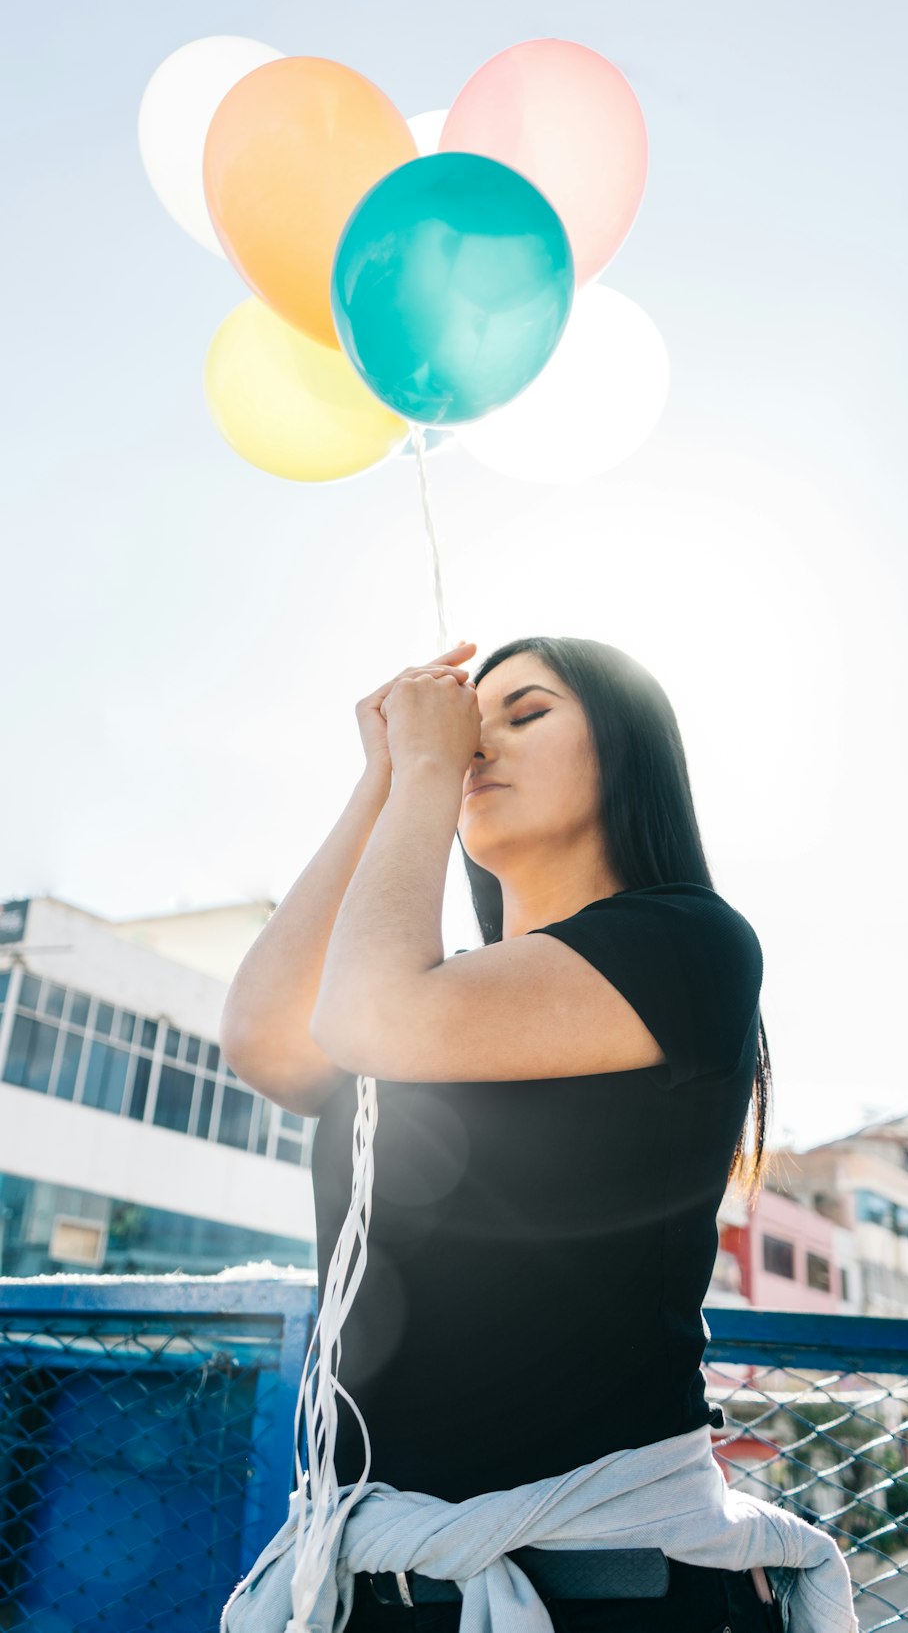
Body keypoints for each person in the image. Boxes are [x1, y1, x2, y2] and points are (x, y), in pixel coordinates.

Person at [219, 637, 847, 1633]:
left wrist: (426, 767)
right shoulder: (425, 994)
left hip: (608, 1585)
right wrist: (385, 776)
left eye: (525, 711)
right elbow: (268, 1043)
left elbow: (373, 1017)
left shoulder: (685, 938)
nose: (474, 743)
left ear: (627, 751)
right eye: (470, 721)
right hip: (379, 1581)